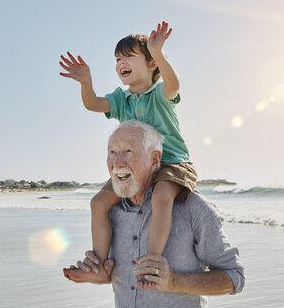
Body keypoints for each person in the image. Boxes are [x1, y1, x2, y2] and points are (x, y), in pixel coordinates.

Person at [63, 120, 245, 308]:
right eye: (112, 152)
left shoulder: (193, 207)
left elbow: (234, 278)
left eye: (128, 151)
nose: (118, 163)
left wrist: (175, 281)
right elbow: (121, 278)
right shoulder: (108, 212)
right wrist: (99, 273)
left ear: (154, 160)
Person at [59, 21, 196, 285]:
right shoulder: (122, 100)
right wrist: (86, 82)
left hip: (171, 162)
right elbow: (93, 104)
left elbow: (174, 85)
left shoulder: (159, 94)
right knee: (98, 203)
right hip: (134, 167)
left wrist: (158, 52)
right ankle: (98, 265)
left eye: (128, 56)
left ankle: (152, 260)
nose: (121, 61)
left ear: (151, 64)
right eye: (118, 58)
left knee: (162, 195)